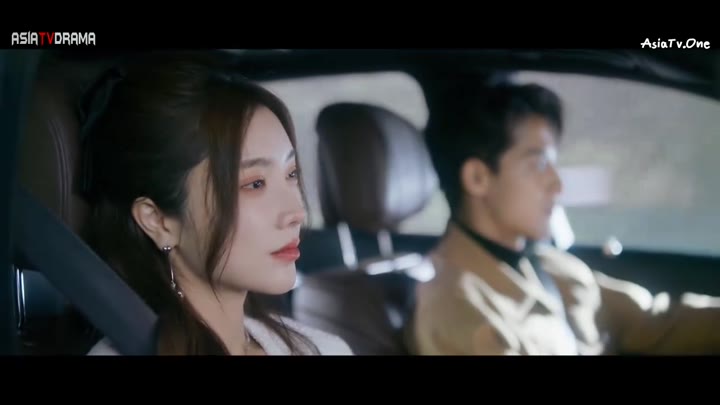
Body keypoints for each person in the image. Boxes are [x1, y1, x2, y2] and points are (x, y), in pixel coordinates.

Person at [410, 81, 720, 355]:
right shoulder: (458, 310)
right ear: (478, 178)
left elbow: (654, 321)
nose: (557, 184)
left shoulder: (550, 266)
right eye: (538, 164)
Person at [78, 54, 353, 355]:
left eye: (292, 174)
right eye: (255, 184)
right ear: (158, 221)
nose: (297, 213)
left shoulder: (324, 349)